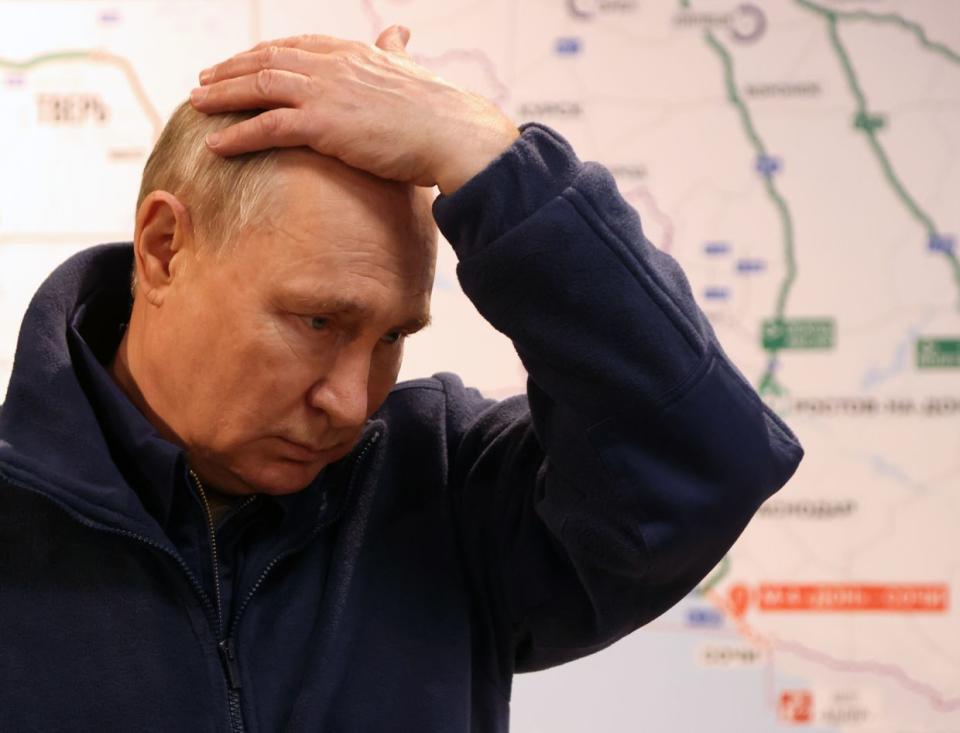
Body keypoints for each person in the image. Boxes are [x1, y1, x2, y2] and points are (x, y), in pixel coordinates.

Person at [0, 24, 803, 732]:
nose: (350, 402)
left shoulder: (452, 495)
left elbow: (704, 464)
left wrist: (491, 160)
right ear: (165, 247)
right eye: (319, 321)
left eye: (393, 336)